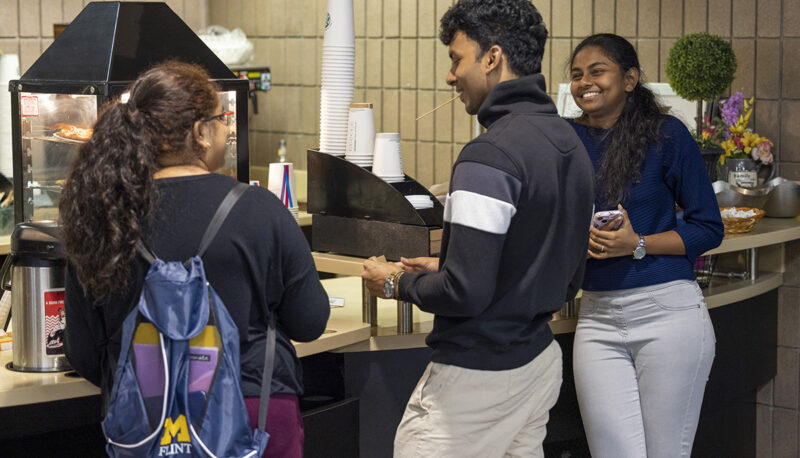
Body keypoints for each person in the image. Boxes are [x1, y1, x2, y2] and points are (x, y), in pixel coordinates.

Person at [59, 61, 329, 458]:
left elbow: (83, 352)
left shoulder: (102, 216)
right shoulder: (259, 209)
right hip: (253, 414)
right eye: (223, 120)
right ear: (199, 133)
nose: (229, 128)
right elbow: (310, 321)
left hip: (146, 422)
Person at [362, 1, 595, 456]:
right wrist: (452, 263)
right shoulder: (571, 144)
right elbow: (565, 275)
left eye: (456, 59)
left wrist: (395, 282)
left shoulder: (489, 154)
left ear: (492, 58)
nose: (450, 76)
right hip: (538, 362)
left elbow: (464, 293)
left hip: (477, 378)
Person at [566, 33, 724, 457]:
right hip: (596, 318)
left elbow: (708, 228)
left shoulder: (666, 135)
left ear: (630, 78)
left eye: (597, 71)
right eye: (577, 75)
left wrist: (636, 243)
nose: (585, 82)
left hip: (668, 314)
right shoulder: (563, 140)